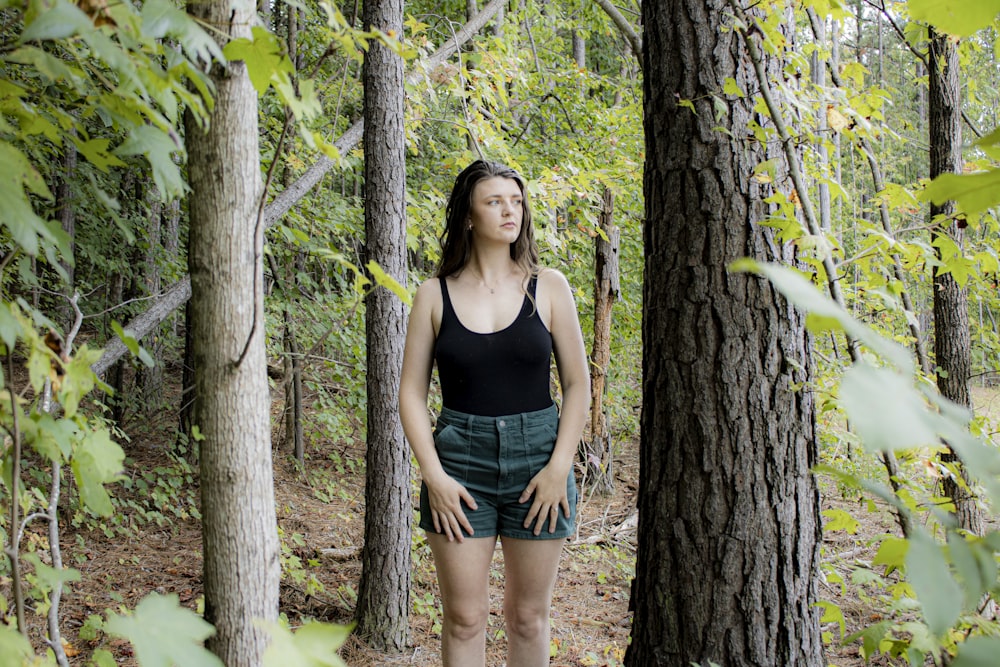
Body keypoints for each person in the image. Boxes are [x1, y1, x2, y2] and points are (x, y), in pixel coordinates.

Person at [399, 159, 590, 666]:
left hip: (540, 461)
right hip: (460, 465)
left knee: (528, 616)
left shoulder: (548, 286)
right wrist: (433, 476)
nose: (510, 211)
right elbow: (410, 394)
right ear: (468, 215)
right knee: (464, 619)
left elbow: (578, 384)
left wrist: (559, 469)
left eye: (516, 201)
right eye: (494, 201)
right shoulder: (433, 294)